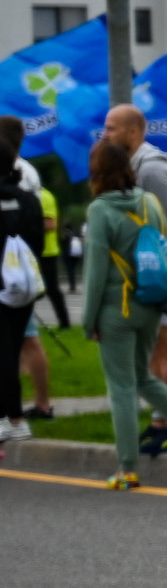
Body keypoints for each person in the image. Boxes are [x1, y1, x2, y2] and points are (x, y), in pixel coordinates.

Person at [80, 136, 167, 485]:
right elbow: (164, 244)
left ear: (95, 172)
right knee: (143, 378)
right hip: (152, 302)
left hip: (115, 308)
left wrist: (88, 320)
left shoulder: (99, 210)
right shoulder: (150, 202)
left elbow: (94, 272)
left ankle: (127, 467)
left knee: (122, 387)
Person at [101, 104, 167, 428]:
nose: (105, 134)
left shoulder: (152, 167)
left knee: (166, 346)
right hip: (145, 268)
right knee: (155, 348)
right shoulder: (133, 164)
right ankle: (163, 420)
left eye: (111, 128)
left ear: (133, 131)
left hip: (159, 269)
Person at [0, 154, 42, 443]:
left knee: (2, 354)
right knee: (12, 350)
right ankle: (16, 419)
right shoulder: (29, 199)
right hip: (24, 286)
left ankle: (9, 417)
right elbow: (38, 242)